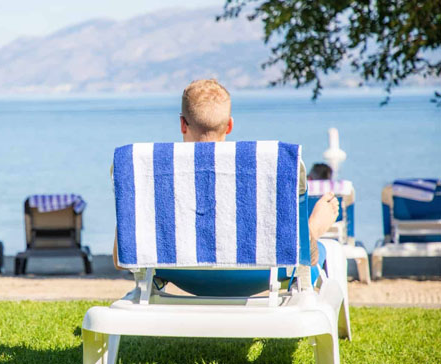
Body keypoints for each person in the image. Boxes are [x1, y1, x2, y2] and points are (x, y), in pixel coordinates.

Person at [112, 79, 339, 296]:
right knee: (322, 247)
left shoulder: (154, 172)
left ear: (182, 123)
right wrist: (316, 226)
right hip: (257, 278)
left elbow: (120, 257)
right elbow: (301, 258)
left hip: (182, 277)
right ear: (229, 125)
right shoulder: (260, 171)